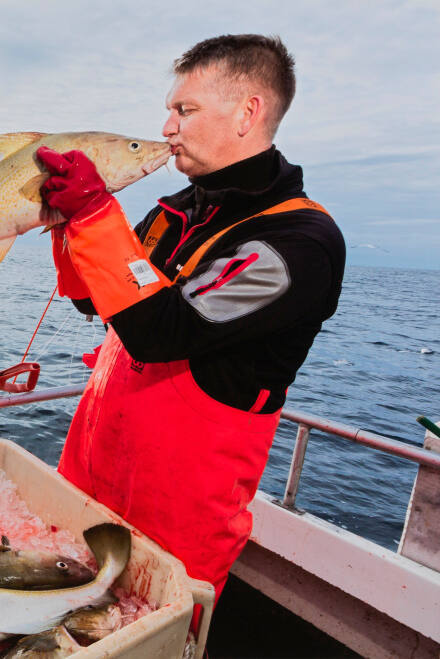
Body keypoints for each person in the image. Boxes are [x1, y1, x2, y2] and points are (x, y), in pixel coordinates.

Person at [36, 34, 345, 600]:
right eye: (169, 110)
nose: (168, 127)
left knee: (150, 634)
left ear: (248, 112)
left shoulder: (298, 242)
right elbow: (94, 301)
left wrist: (96, 213)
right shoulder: (173, 212)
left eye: (185, 109)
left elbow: (160, 331)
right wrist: (70, 223)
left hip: (177, 521)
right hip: (85, 481)